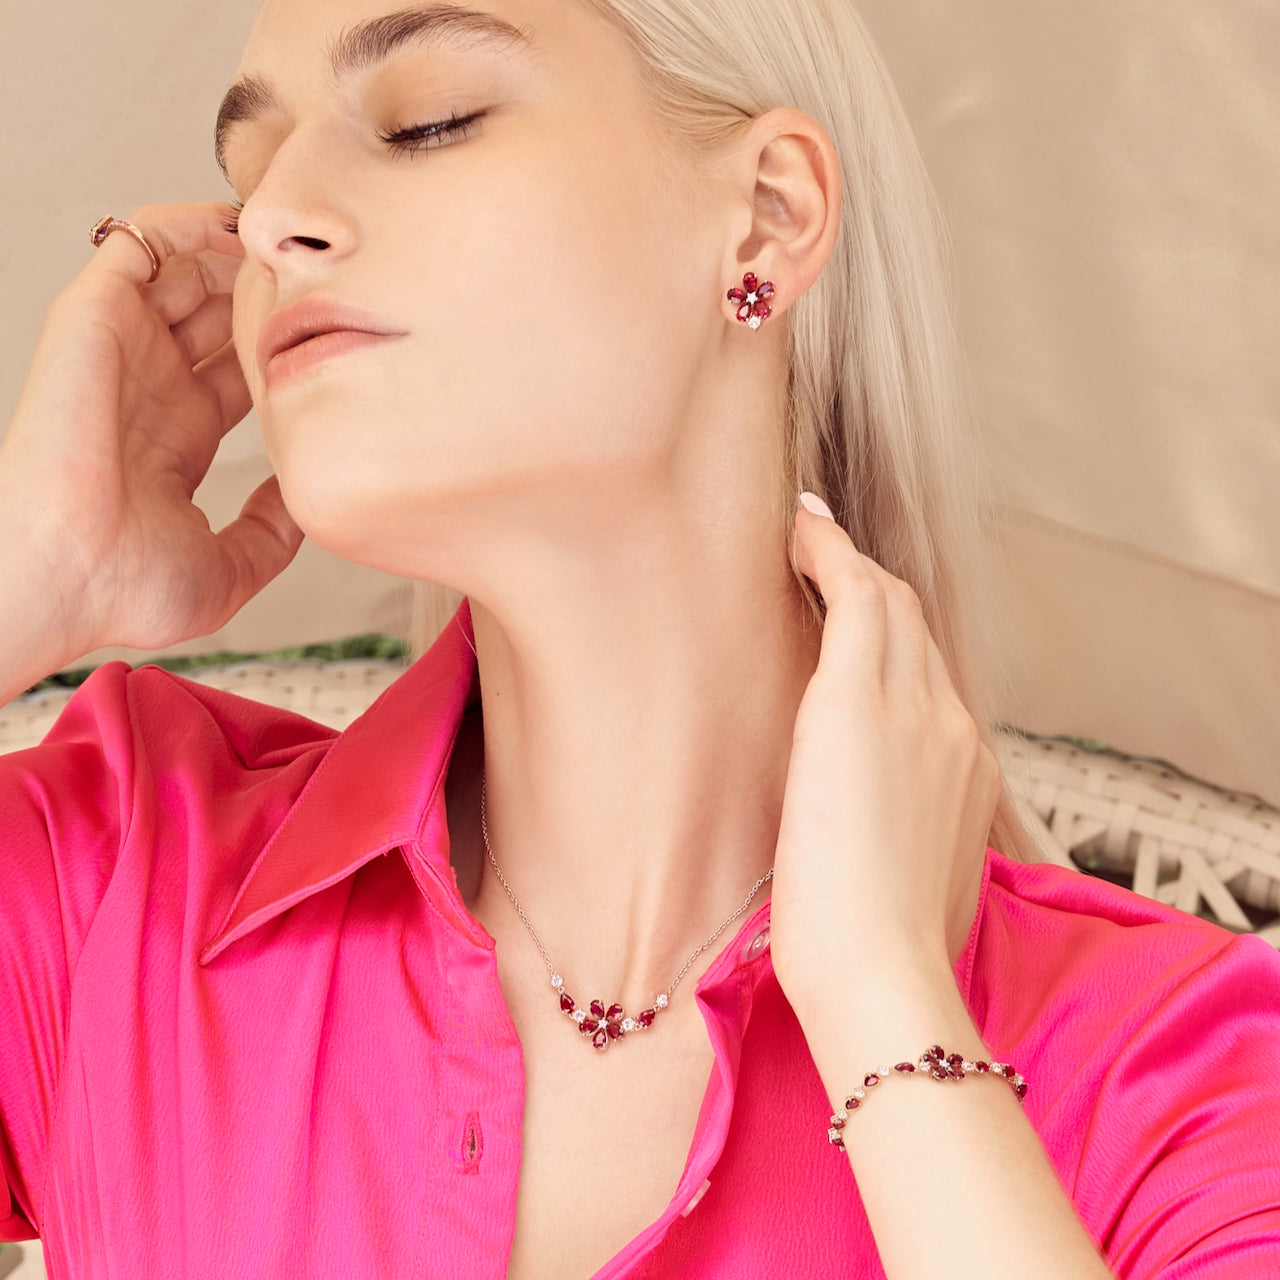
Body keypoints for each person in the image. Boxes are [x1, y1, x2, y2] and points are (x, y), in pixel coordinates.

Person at [2, 0, 1278, 1277]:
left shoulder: (1179, 1070)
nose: (275, 219)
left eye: (424, 120)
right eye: (245, 181)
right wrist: (31, 573)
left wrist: (888, 1009)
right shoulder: (116, 870)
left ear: (768, 213)